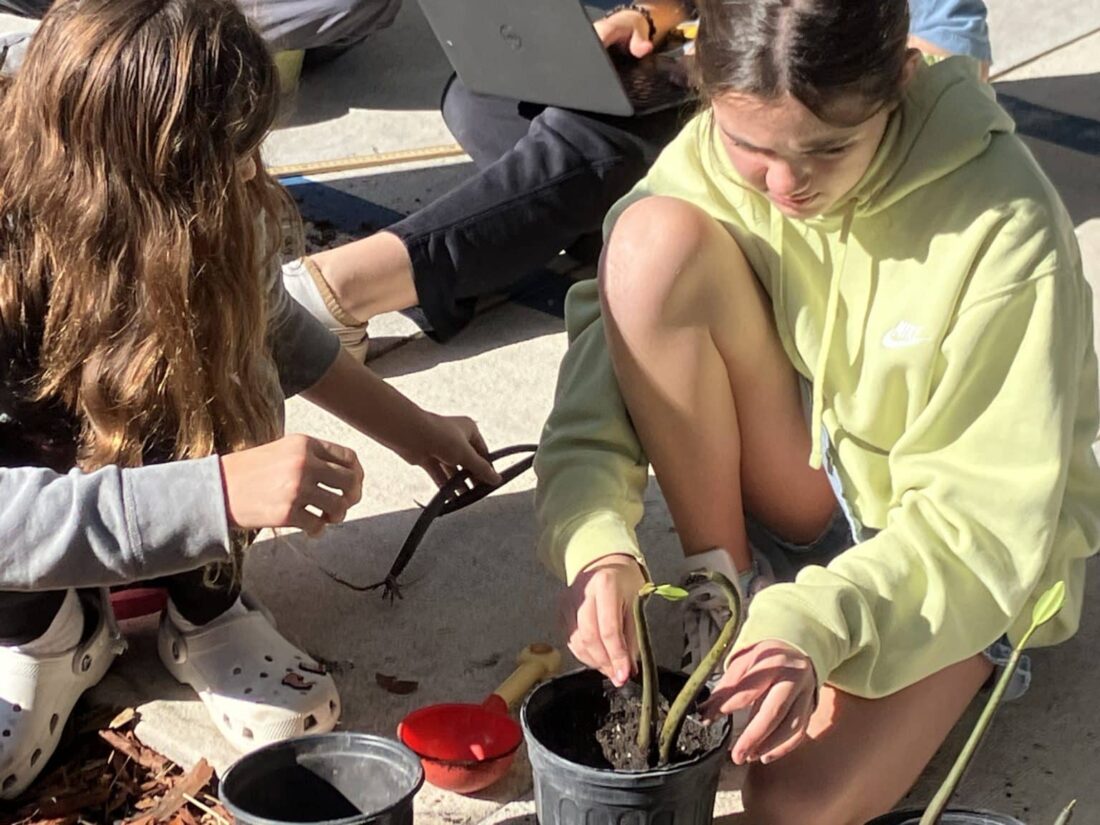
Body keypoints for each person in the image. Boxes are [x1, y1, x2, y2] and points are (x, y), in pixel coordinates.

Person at [534, 0, 1100, 821]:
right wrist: (594, 542)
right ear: (704, 88)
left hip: (949, 559)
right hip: (812, 476)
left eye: (829, 148)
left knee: (790, 802)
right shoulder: (712, 150)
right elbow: (605, 362)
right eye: (751, 148)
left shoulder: (1005, 228)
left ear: (902, 78)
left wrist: (816, 620)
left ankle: (837, 635)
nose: (784, 184)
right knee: (650, 243)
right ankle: (725, 593)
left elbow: (983, 528)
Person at [0, 0, 499, 800]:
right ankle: (46, 629)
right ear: (120, 175)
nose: (244, 177)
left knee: (213, 325)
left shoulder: (208, 204)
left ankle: (206, 605)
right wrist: (216, 494)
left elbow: (272, 325)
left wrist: (416, 430)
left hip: (142, 452)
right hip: (27, 511)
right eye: (220, 163)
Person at [283, 0, 993, 359]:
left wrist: (768, 83)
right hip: (707, 83)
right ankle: (520, 239)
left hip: (793, 134)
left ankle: (348, 287)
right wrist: (650, 19)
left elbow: (950, 65)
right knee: (481, 99)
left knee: (595, 141)